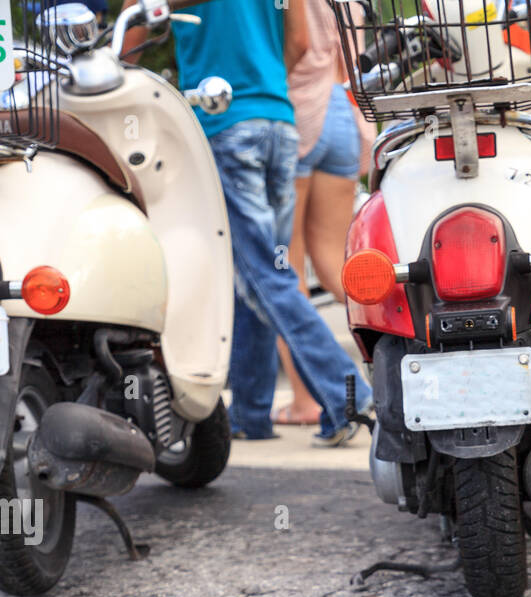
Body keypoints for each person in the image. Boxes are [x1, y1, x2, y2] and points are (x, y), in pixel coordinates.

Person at [122, 0, 372, 446]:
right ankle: (252, 413)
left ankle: (345, 393)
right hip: (278, 122)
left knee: (264, 274)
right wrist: (266, 79)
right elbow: (298, 42)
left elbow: (130, 39)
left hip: (226, 124)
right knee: (260, 271)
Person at [271, 0, 373, 428]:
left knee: (284, 264)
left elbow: (292, 43)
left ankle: (305, 401)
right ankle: (394, 365)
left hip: (298, 108)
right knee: (336, 265)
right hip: (342, 111)